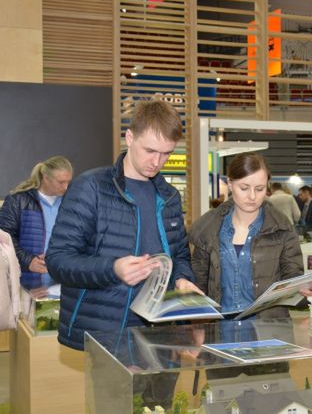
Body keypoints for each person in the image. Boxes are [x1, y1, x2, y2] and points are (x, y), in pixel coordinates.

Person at [46, 100, 199, 351]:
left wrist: (182, 279)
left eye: (166, 153)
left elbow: (180, 254)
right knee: (115, 392)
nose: (157, 162)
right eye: (150, 150)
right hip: (106, 330)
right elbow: (58, 260)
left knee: (163, 392)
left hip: (163, 330)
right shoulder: (91, 187)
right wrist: (113, 268)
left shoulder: (169, 196)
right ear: (129, 137)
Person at [190, 152, 312, 319]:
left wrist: (310, 293)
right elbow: (197, 288)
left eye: (259, 189)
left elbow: (293, 286)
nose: (252, 196)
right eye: (244, 188)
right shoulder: (209, 228)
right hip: (219, 334)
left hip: (269, 334)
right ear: (230, 184)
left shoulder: (282, 228)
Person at [0, 155, 73, 274]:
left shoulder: (72, 203)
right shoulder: (18, 201)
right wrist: (28, 261)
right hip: (27, 282)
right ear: (46, 178)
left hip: (63, 281)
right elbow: (3, 239)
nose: (66, 187)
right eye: (60, 182)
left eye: (68, 182)